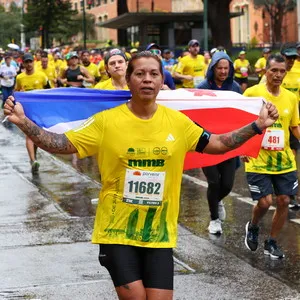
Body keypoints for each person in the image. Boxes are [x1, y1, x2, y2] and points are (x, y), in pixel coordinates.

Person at [4, 51, 278, 299]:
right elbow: (61, 144)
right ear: (129, 79)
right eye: (140, 73)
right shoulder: (107, 121)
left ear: (162, 81)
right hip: (116, 231)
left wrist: (257, 126)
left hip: (159, 232)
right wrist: (23, 122)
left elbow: (217, 144)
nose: (147, 79)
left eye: (154, 74)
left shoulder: (178, 122)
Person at [243, 53, 300, 259]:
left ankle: (272, 242)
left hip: (284, 160)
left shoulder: (291, 98)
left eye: (282, 71)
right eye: (273, 70)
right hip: (257, 158)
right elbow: (241, 123)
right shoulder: (252, 93)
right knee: (265, 202)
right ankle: (254, 226)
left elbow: (294, 126)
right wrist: (242, 148)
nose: (278, 75)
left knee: (284, 201)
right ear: (265, 71)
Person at [197, 51, 242, 234]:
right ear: (213, 68)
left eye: (226, 68)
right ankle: (214, 219)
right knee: (214, 182)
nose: (223, 71)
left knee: (227, 185)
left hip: (229, 142)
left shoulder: (235, 87)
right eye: (219, 68)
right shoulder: (202, 87)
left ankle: (217, 201)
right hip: (207, 143)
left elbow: (242, 114)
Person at [14, 52, 50, 174]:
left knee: (36, 135)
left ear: (33, 62)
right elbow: (15, 92)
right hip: (26, 111)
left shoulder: (41, 75)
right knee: (30, 134)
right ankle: (33, 160)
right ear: (23, 64)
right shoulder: (20, 78)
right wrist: (20, 93)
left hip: (40, 110)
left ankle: (33, 157)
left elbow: (49, 90)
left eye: (30, 62)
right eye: (26, 62)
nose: (29, 64)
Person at [280, 43, 300, 209]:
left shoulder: (298, 72)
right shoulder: (274, 72)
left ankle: (291, 194)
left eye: (294, 58)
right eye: (288, 58)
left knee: (291, 155)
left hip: (293, 117)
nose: (291, 61)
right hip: (275, 120)